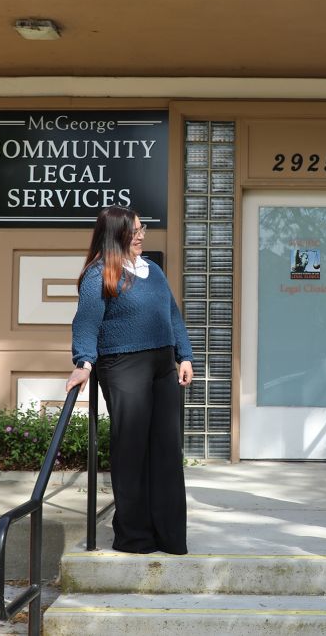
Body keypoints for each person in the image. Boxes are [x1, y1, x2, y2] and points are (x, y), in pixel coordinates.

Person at [66, 206, 194, 555]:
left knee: (167, 450)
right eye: (134, 230)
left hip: (162, 363)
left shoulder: (151, 269)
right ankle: (135, 536)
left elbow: (172, 314)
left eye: (142, 228)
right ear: (116, 234)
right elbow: (86, 321)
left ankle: (169, 535)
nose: (141, 235)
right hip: (122, 364)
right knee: (132, 448)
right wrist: (84, 362)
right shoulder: (99, 274)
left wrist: (184, 355)